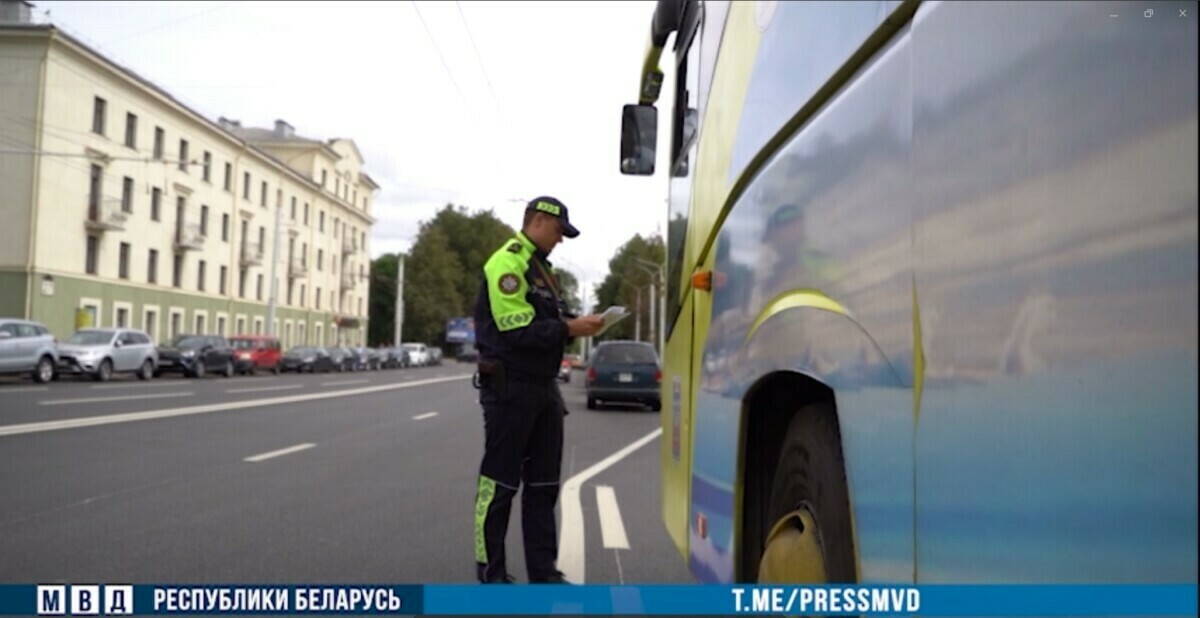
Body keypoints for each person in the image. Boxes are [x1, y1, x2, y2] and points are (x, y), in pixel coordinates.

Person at [471, 196, 605, 584]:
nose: (561, 240)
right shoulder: (508, 262)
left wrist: (577, 323)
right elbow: (516, 330)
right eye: (560, 231)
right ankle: (491, 575)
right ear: (541, 221)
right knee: (498, 485)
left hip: (544, 389)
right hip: (510, 386)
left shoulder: (542, 271)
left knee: (544, 486)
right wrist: (569, 329)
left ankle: (543, 573)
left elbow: (547, 321)